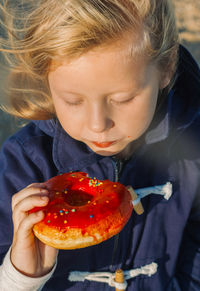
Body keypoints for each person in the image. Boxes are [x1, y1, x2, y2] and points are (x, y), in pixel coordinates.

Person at [0, 0, 200, 290]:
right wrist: (21, 275)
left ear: (166, 68)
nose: (97, 125)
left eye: (122, 99)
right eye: (73, 100)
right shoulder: (25, 163)